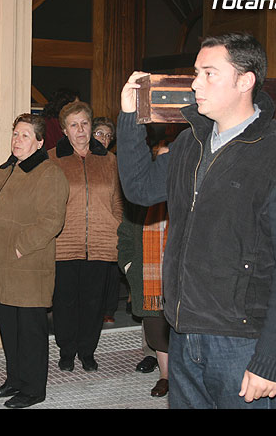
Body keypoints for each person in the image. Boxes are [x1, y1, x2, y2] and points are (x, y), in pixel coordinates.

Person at [117, 32, 276, 409]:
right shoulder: (189, 143)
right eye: (196, 73)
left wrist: (270, 359)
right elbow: (141, 189)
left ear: (245, 81)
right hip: (184, 331)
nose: (195, 84)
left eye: (209, 74)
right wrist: (129, 119)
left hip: (242, 342)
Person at [0, 113, 69, 409]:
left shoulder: (48, 173)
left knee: (30, 332)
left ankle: (33, 388)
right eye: (15, 134)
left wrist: (19, 247)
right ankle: (14, 379)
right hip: (0, 265)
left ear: (40, 142)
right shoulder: (6, 170)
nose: (17, 140)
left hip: (27, 265)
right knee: (10, 329)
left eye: (25, 135)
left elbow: (51, 221)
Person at [48, 101, 123, 372]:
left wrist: (115, 226)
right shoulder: (52, 159)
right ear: (64, 130)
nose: (80, 130)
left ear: (91, 126)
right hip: (63, 243)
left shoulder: (110, 160)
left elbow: (118, 200)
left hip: (103, 243)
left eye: (85, 123)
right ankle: (67, 351)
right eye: (73, 125)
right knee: (64, 302)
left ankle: (88, 351)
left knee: (93, 303)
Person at [117, 142, 171, 398]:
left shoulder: (189, 193)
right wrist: (129, 265)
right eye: (160, 160)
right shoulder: (141, 198)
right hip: (149, 277)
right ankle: (165, 375)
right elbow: (125, 234)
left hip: (181, 276)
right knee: (156, 329)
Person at [92, 117, 121, 323]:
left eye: (108, 136)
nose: (104, 139)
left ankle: (108, 310)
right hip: (86, 224)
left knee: (109, 271)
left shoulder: (113, 161)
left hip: (109, 223)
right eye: (100, 133)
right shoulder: (83, 157)